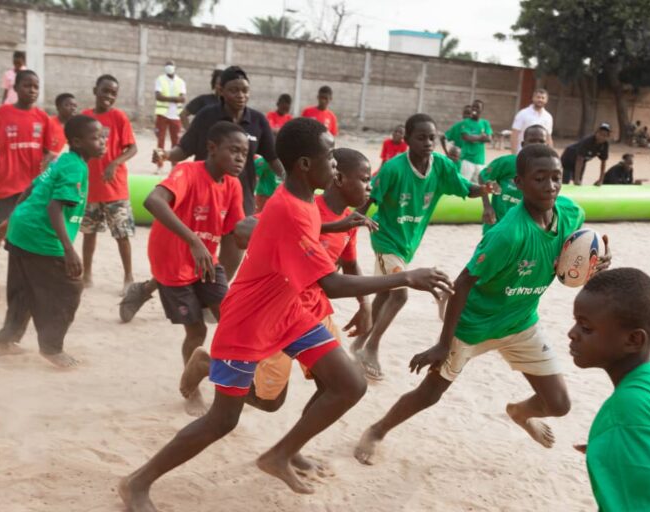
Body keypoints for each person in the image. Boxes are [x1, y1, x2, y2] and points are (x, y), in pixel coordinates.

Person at [117, 118, 454, 508]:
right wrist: (406, 277)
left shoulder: (305, 199)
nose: (334, 165)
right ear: (306, 165)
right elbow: (331, 284)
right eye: (329, 155)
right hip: (250, 321)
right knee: (223, 420)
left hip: (290, 311)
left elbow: (301, 234)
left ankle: (279, 454)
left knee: (349, 384)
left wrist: (335, 224)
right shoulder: (290, 209)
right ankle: (138, 482)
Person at [353, 144, 611, 468]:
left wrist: (591, 264)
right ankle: (377, 431)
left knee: (558, 404)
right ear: (519, 183)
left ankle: (520, 412)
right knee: (430, 393)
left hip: (520, 323)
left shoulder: (571, 214)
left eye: (556, 178)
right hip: (472, 326)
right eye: (540, 178)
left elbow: (563, 268)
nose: (550, 186)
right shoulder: (508, 235)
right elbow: (463, 283)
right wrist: (442, 344)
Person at [180, 147, 377, 415]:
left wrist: (364, 305)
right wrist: (322, 228)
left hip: (318, 312)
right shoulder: (303, 207)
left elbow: (350, 263)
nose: (370, 187)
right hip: (282, 312)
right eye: (365, 179)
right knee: (270, 402)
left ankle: (288, 451)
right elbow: (243, 229)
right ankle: (207, 364)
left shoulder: (349, 220)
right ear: (339, 178)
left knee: (339, 385)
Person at [350, 113, 496, 380]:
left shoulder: (440, 166)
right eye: (421, 137)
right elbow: (368, 199)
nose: (428, 142)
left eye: (431, 137)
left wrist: (484, 189)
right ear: (407, 140)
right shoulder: (393, 169)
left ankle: (358, 344)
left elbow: (464, 188)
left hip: (407, 243)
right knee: (400, 294)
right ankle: (371, 348)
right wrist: (346, 228)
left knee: (384, 293)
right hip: (385, 239)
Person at [568, 268, 650, 511]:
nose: (572, 333)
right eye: (576, 322)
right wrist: (617, 446)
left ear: (634, 340)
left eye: (586, 327)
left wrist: (626, 435)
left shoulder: (627, 413)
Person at [0, 115, 105, 368]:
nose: (102, 142)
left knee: (23, 290)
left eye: (102, 136)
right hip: (39, 236)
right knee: (70, 289)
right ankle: (52, 348)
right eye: (96, 138)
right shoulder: (75, 166)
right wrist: (68, 250)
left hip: (21, 230)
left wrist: (9, 221)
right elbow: (54, 207)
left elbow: (31, 190)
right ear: (76, 141)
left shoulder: (61, 159)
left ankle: (6, 341)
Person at [144, 121, 246, 375]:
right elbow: (153, 200)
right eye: (234, 150)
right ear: (212, 148)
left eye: (244, 153)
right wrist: (194, 240)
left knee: (232, 318)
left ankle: (229, 376)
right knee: (197, 330)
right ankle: (191, 382)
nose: (240, 158)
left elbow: (236, 235)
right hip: (172, 264)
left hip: (206, 263)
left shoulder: (233, 185)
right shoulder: (187, 172)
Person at [157, 66, 284, 219]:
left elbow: (272, 158)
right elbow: (185, 149)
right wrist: (166, 154)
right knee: (203, 238)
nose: (240, 95)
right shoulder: (206, 116)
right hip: (205, 193)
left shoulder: (258, 121)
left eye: (245, 90)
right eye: (234, 90)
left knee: (239, 239)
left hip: (242, 196)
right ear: (221, 91)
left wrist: (289, 180)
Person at [0, 70, 54, 272]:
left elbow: (48, 151)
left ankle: (23, 276)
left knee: (26, 231)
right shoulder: (3, 112)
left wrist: (48, 160)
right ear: (15, 88)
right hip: (7, 182)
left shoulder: (43, 118)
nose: (32, 90)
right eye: (27, 85)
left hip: (32, 186)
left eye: (36, 86)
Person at [80, 74, 138, 293]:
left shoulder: (119, 118)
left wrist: (114, 163)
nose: (108, 96)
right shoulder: (85, 117)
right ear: (96, 90)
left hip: (115, 188)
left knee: (122, 234)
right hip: (91, 188)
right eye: (105, 91)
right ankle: (86, 275)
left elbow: (132, 148)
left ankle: (128, 277)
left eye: (113, 93)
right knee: (89, 233)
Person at [479, 124, 549, 232]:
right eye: (532, 140)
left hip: (524, 229)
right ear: (523, 144)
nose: (536, 145)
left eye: (541, 141)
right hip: (497, 225)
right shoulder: (508, 162)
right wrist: (487, 206)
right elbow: (482, 176)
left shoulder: (548, 172)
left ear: (546, 145)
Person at [445, 100, 493, 183]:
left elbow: (489, 139)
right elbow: (466, 137)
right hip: (467, 160)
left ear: (482, 110)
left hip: (480, 161)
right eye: (473, 106)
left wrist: (474, 137)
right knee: (463, 184)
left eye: (477, 107)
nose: (474, 108)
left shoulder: (485, 123)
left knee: (480, 186)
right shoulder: (466, 122)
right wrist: (481, 137)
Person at [154, 60, 186, 171]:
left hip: (176, 115)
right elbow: (158, 96)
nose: (169, 67)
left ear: (175, 67)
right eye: (167, 65)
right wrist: (174, 99)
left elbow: (183, 99)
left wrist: (167, 98)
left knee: (176, 142)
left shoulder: (180, 82)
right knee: (160, 141)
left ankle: (174, 166)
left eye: (171, 65)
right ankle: (159, 165)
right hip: (162, 114)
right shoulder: (160, 79)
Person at [511, 88, 554, 154]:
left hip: (540, 154)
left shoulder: (548, 117)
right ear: (533, 98)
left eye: (543, 98)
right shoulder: (523, 114)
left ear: (546, 100)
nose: (540, 100)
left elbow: (548, 137)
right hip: (523, 152)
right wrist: (513, 153)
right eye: (538, 97)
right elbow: (514, 134)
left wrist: (551, 154)